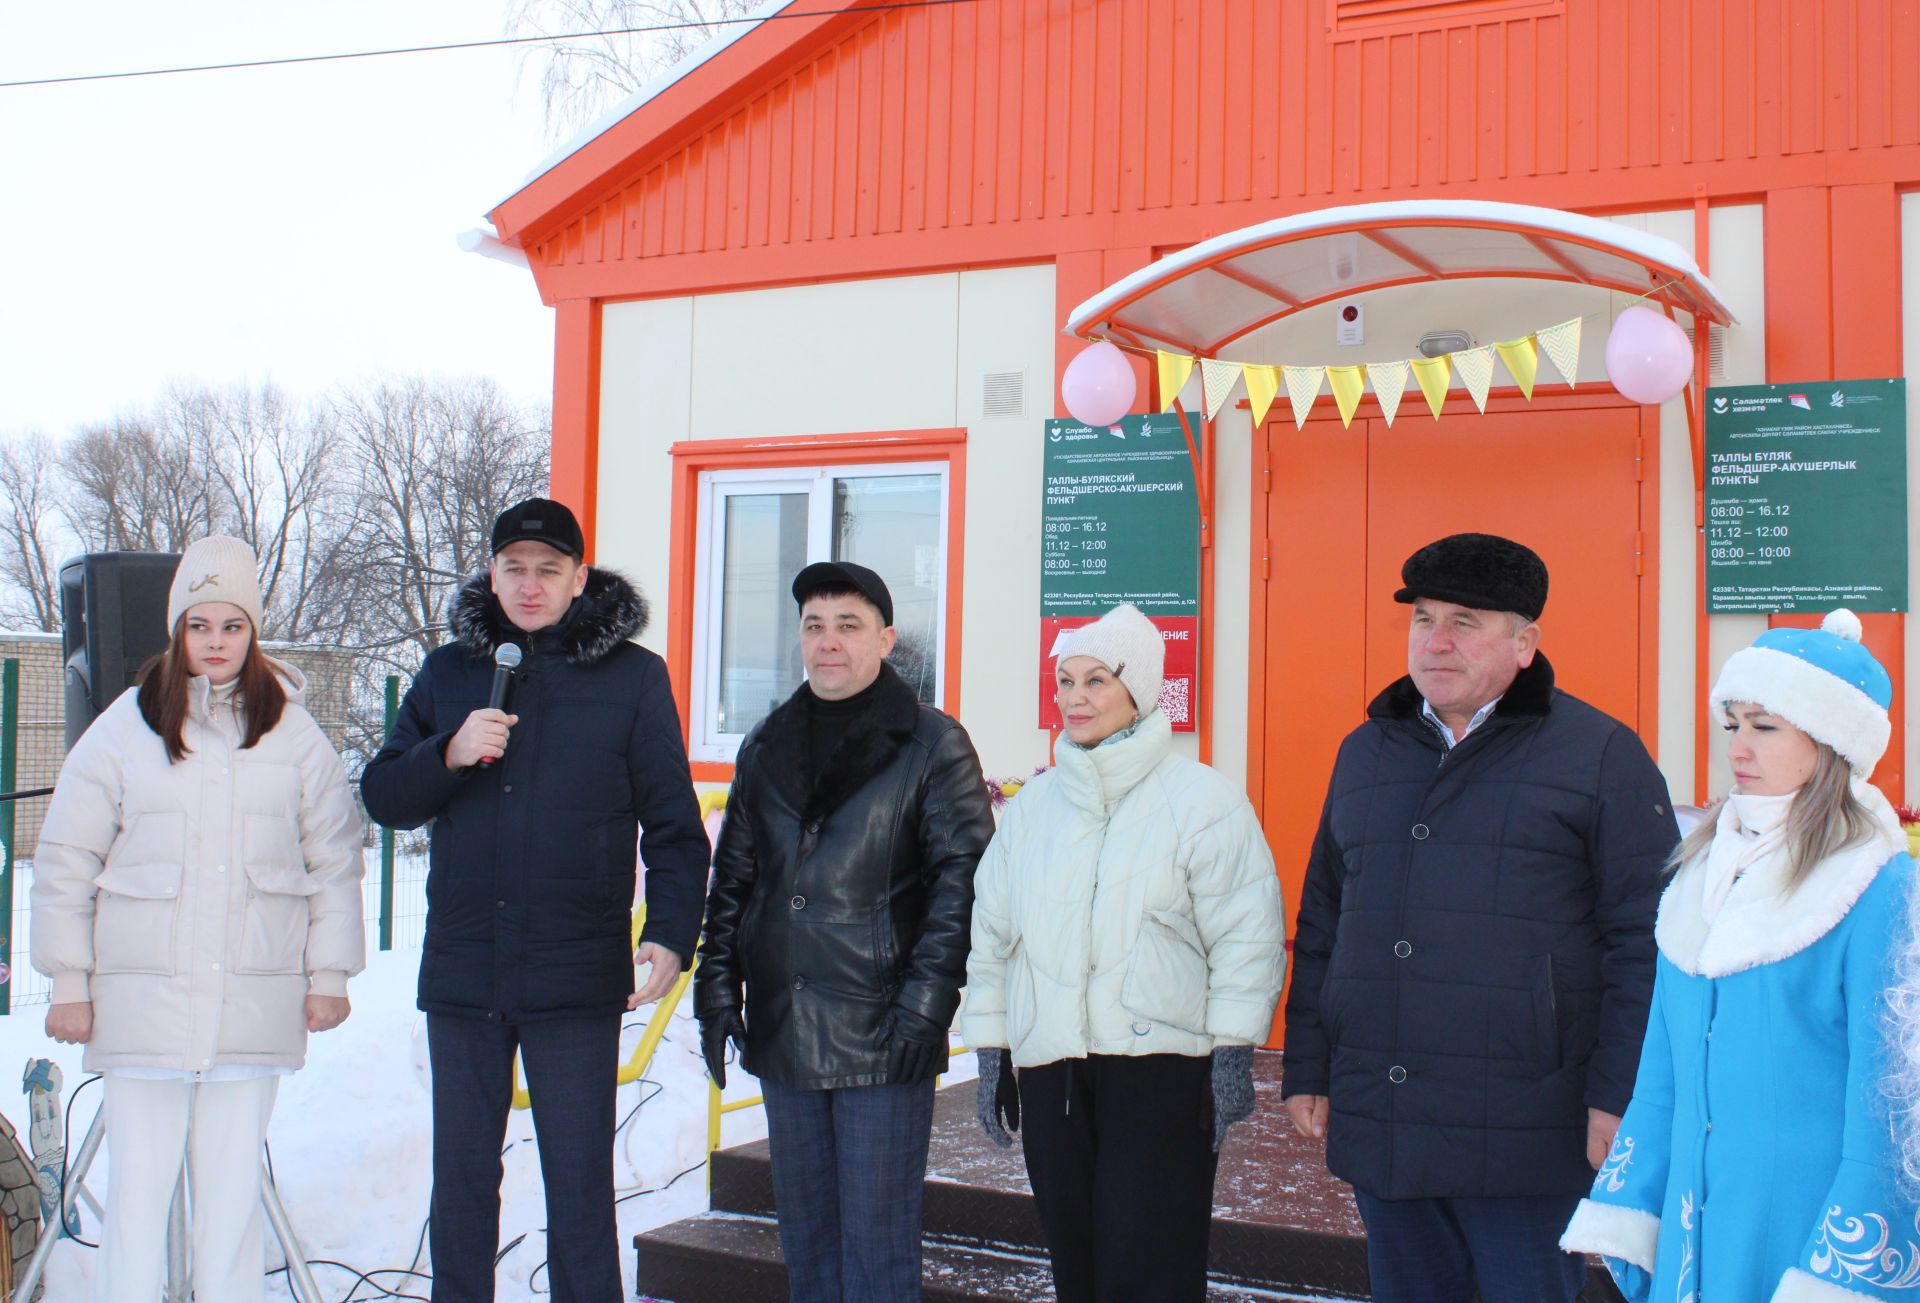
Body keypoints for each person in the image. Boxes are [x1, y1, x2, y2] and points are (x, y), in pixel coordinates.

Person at [1281, 532, 1677, 1303]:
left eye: (1465, 621)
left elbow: (1647, 939)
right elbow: (1325, 917)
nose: (1435, 641)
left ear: (1525, 642)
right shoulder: (1366, 751)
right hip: (1385, 1116)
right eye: (1421, 617)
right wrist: (1309, 1064)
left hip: (1528, 1129)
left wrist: (1619, 1093)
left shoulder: (1599, 754)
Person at [360, 498, 709, 1303]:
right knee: (461, 1184)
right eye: (514, 567)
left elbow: (674, 826)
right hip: (465, 969)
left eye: (549, 569)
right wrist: (447, 753)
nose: (529, 584)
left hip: (575, 974)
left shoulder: (631, 676)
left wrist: (668, 932)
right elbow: (382, 794)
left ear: (579, 579)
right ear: (492, 573)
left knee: (581, 1183)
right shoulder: (451, 672)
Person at [32, 535, 365, 1303]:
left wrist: (329, 973)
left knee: (229, 1207)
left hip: (252, 1006)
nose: (214, 643)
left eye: (232, 626)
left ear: (254, 633)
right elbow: (65, 859)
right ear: (176, 630)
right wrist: (70, 983)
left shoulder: (294, 735)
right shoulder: (125, 728)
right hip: (140, 1009)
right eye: (199, 625)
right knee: (138, 1205)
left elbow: (334, 860)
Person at [1562, 610, 1920, 1300]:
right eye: (1734, 723)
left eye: (1765, 725)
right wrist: (1635, 1197)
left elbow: (1892, 1106)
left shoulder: (1878, 887)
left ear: (1829, 740)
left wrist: (1843, 1266)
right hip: (1696, 1221)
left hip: (1803, 1224)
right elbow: (1661, 1071)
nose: (1738, 746)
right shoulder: (1699, 874)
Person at [961, 602, 1286, 1303]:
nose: (1076, 698)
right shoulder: (1034, 812)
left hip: (1162, 1072)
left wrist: (1232, 1049)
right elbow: (992, 937)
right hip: (1055, 1068)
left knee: (1152, 1260)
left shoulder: (1202, 800)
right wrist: (991, 1049)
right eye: (1066, 681)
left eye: (1097, 680)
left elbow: (1246, 933)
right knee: (1076, 1259)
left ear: (1138, 691)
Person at [694, 560, 993, 1303]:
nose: (828, 642)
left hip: (881, 1031)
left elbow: (963, 884)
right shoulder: (767, 741)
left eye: (848, 625)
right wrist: (715, 987)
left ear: (886, 639)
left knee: (877, 1252)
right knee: (808, 1243)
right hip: (785, 1024)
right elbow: (734, 875)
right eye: (814, 625)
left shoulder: (931, 743)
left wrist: (927, 1005)